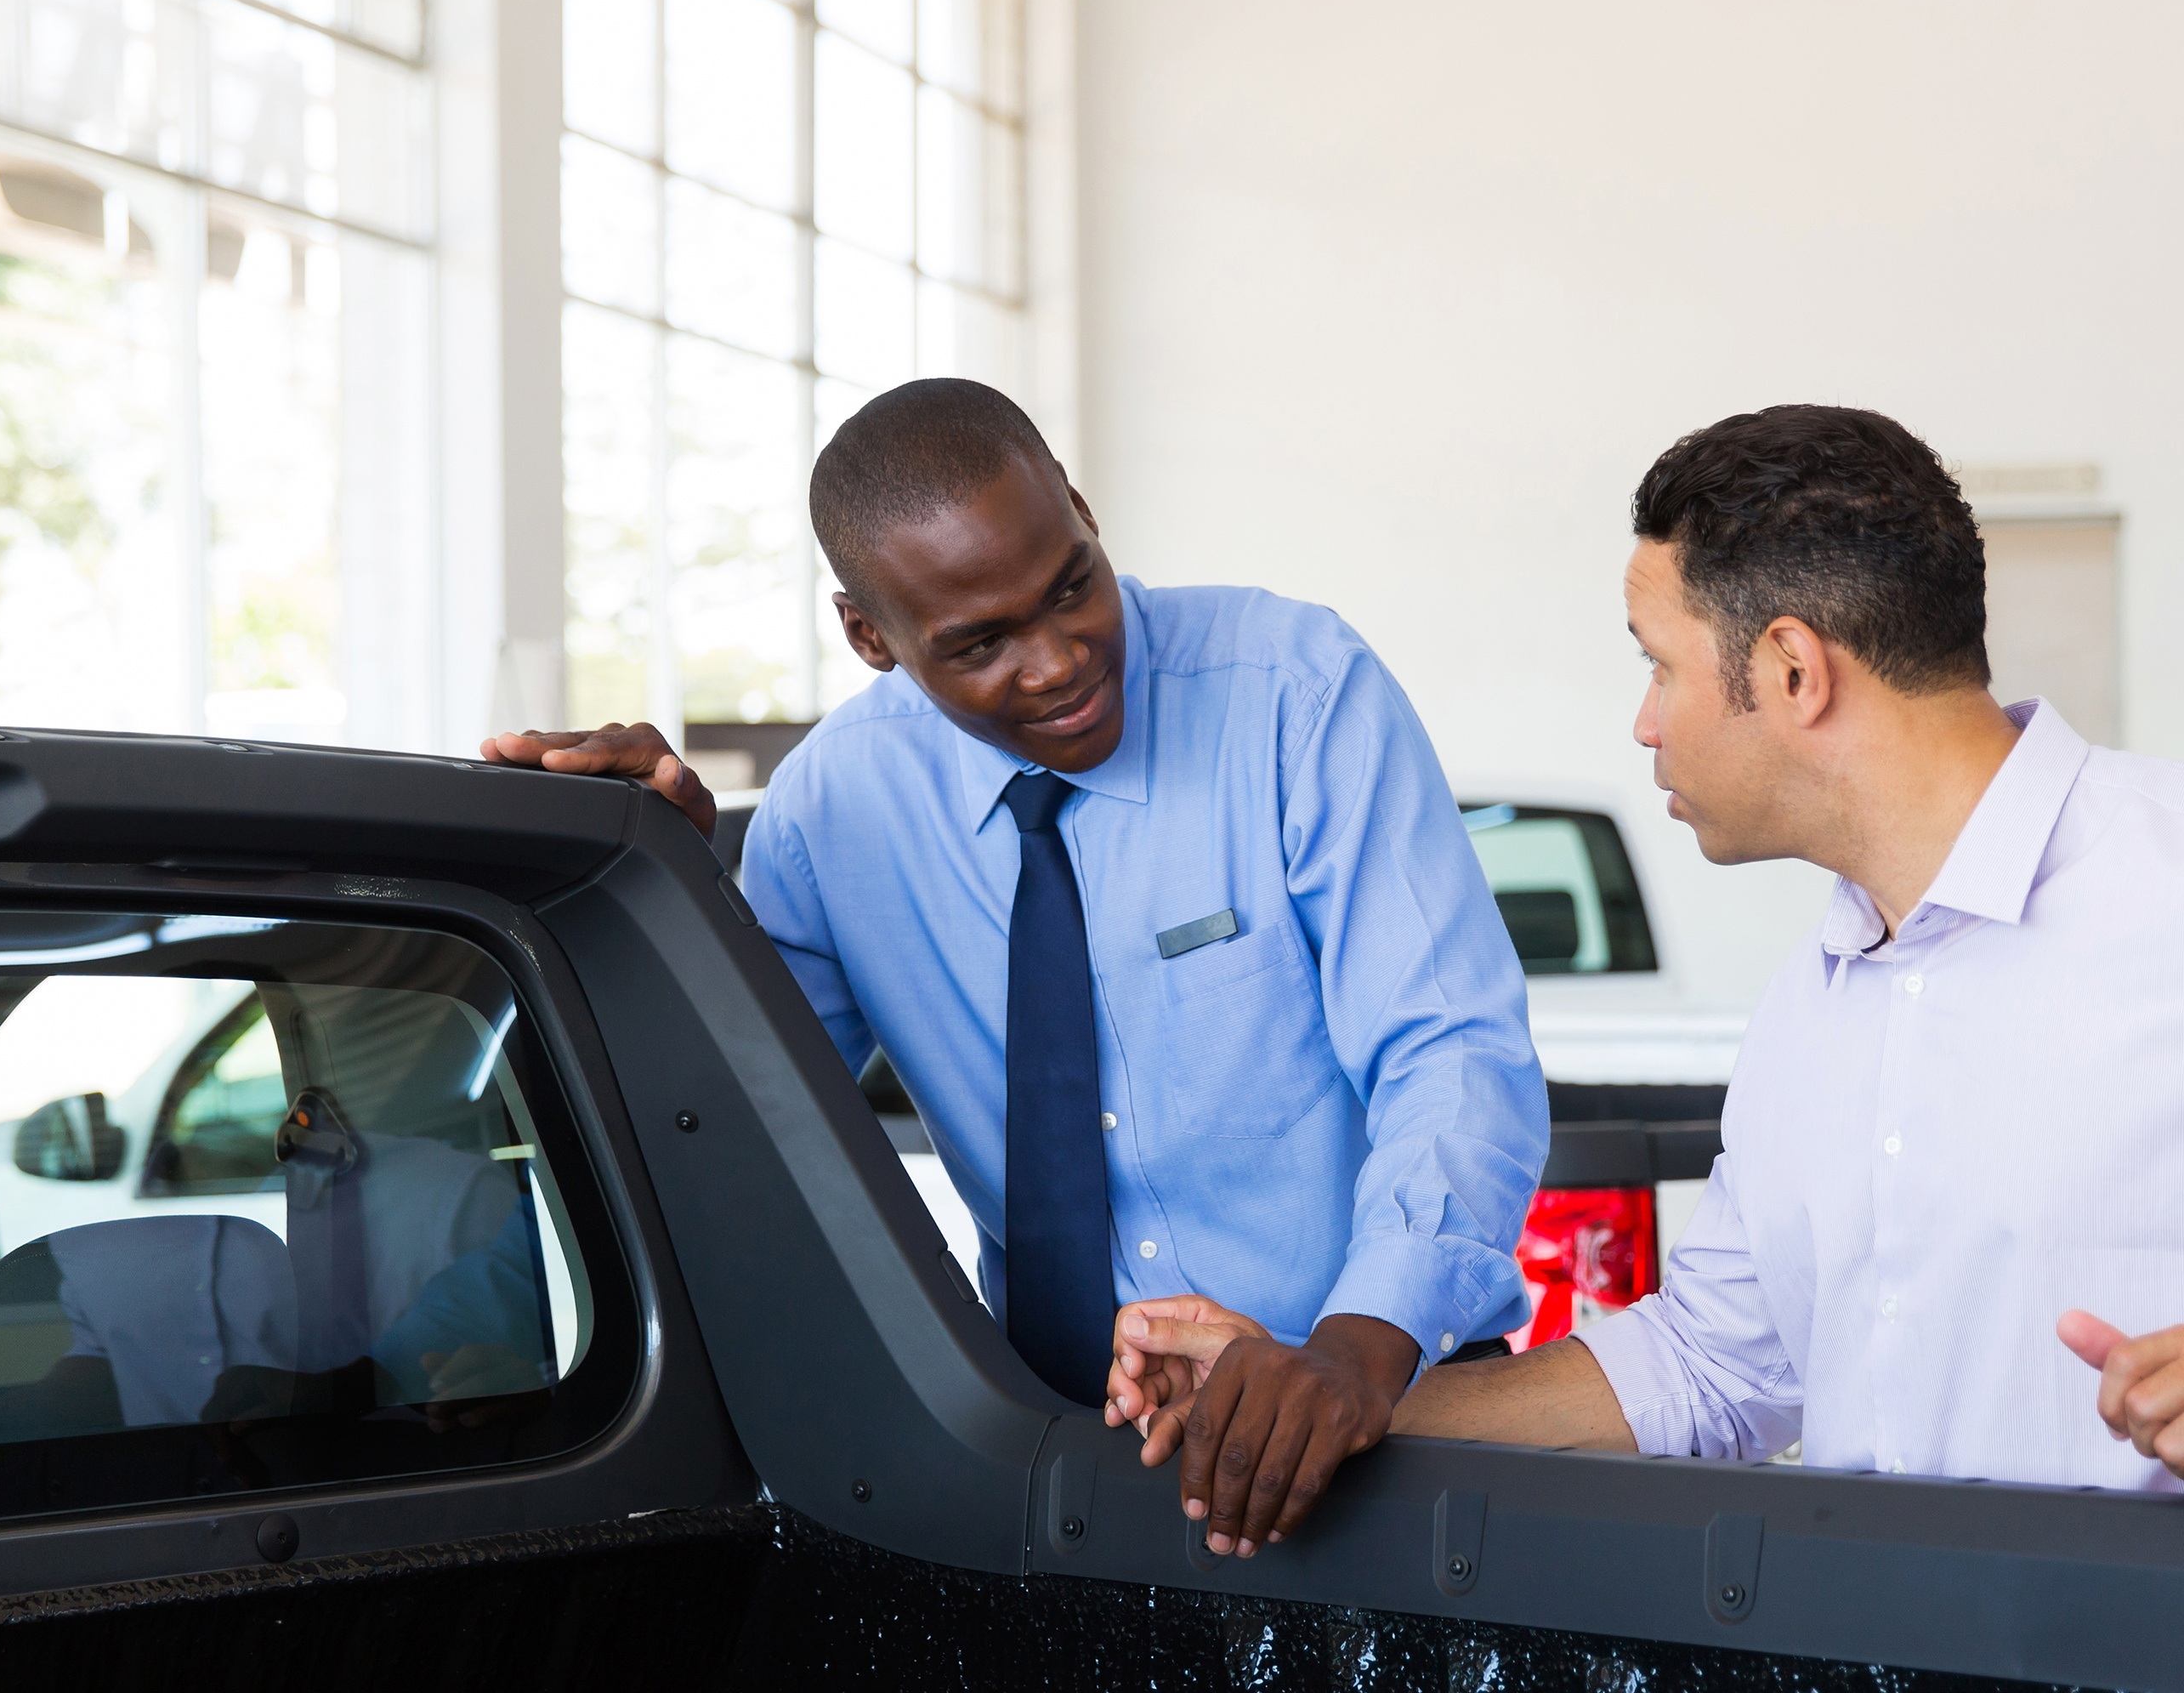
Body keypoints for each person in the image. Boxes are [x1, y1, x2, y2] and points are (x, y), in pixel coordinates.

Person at [1110, 404, 2184, 1553]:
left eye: (1655, 662)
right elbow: (1712, 1368)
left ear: (1792, 672)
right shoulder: (1823, 999)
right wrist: (1320, 1400)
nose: (1642, 726)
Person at [484, 378, 1549, 1480]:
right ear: (869, 636)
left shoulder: (1295, 692)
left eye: (1070, 588)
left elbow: (1450, 1050)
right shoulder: (831, 814)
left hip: (1374, 1404)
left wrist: (1355, 1354)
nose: (1057, 662)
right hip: (1052, 1458)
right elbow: (724, 1121)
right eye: (980, 642)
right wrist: (658, 878)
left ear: (1081, 512)